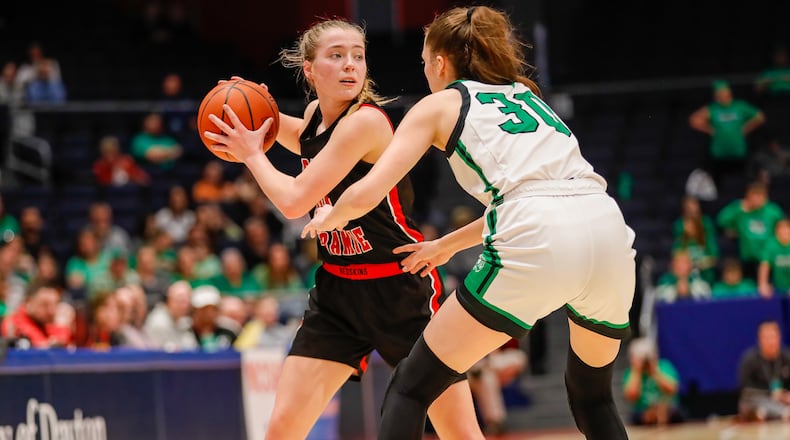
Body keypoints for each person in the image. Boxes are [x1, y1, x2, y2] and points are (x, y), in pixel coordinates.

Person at [297, 7, 636, 439]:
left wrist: (332, 214)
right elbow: (537, 196)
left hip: (537, 233)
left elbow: (370, 190)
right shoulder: (524, 94)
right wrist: (445, 246)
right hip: (606, 226)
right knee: (593, 397)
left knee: (410, 387)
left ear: (440, 63)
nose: (424, 71)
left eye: (424, 62)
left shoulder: (438, 104)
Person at [202, 17, 484, 439]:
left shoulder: (365, 123)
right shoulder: (315, 117)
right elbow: (293, 135)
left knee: (459, 432)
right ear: (310, 69)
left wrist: (252, 154)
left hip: (398, 287)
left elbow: (294, 201)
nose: (351, 64)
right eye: (336, 56)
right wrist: (257, 112)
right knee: (282, 427)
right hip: (338, 291)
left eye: (358, 56)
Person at [689, 80, 765, 186]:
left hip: (739, 152)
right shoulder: (713, 108)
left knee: (747, 178)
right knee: (716, 181)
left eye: (722, 93)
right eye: (717, 94)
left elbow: (760, 117)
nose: (719, 96)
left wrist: (746, 128)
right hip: (718, 154)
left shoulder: (740, 106)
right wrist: (709, 129)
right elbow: (694, 119)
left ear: (728, 93)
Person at [717, 181, 785, 279]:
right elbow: (721, 221)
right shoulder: (739, 209)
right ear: (748, 196)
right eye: (754, 195)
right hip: (747, 257)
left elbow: (782, 229)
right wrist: (738, 209)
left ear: (766, 197)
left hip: (769, 258)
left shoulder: (773, 211)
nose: (757, 199)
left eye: (760, 196)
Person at [622, 338, 682, 426]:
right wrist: (637, 371)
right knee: (638, 417)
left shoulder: (664, 366)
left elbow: (672, 389)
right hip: (643, 412)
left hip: (668, 409)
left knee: (673, 412)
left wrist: (654, 371)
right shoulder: (631, 373)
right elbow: (631, 396)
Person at [738, 320, 790, 421]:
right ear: (759, 340)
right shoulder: (750, 360)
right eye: (766, 338)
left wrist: (785, 396)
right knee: (751, 403)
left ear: (779, 338)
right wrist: (771, 394)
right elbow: (746, 389)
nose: (770, 342)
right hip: (759, 399)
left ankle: (773, 413)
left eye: (773, 337)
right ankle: (782, 412)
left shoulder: (787, 358)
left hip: (783, 401)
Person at [758, 218, 790, 298]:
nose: (784, 232)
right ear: (776, 231)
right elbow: (765, 265)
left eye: (787, 229)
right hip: (778, 287)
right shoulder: (770, 245)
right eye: (781, 229)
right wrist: (763, 284)